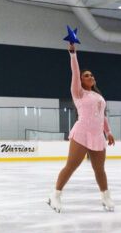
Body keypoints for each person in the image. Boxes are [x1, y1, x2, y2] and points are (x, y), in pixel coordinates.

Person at [48, 44, 115, 212]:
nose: (90, 77)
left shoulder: (98, 96)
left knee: (100, 169)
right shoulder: (78, 93)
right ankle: (55, 195)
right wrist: (73, 56)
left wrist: (109, 132)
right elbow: (75, 73)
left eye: (91, 75)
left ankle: (106, 197)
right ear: (82, 80)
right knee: (71, 166)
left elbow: (102, 115)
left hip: (98, 136)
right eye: (86, 75)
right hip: (82, 133)